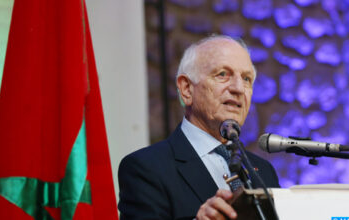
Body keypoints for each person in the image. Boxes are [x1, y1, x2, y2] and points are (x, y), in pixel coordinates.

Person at [118, 35, 280, 220]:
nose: (238, 88)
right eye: (222, 74)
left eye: (246, 79)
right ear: (187, 89)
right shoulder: (146, 168)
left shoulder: (263, 171)